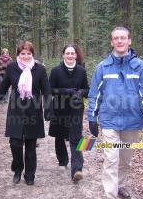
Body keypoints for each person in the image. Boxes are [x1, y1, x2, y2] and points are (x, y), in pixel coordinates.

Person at [86, 27, 143, 199]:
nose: (119, 41)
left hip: (132, 122)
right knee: (111, 159)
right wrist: (92, 117)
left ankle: (119, 185)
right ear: (111, 42)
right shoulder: (103, 68)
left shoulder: (140, 67)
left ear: (129, 41)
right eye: (116, 38)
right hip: (110, 121)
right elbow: (95, 95)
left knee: (125, 160)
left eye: (123, 38)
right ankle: (110, 194)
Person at [0, 41, 52, 186]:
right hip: (16, 111)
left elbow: (46, 91)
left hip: (33, 111)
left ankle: (30, 175)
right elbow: (3, 87)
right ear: (18, 54)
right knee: (15, 143)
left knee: (30, 145)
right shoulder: (12, 68)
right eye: (23, 54)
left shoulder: (39, 70)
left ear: (32, 54)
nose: (26, 56)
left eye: (29, 54)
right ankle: (17, 169)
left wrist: (48, 109)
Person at [48, 43, 89, 183]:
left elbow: (87, 90)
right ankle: (62, 161)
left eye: (72, 53)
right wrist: (66, 91)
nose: (70, 56)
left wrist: (82, 92)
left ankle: (77, 169)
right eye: (67, 53)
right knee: (59, 135)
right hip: (59, 107)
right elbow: (50, 89)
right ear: (63, 55)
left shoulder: (82, 71)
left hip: (76, 108)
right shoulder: (56, 71)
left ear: (76, 55)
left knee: (76, 136)